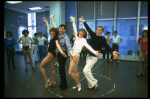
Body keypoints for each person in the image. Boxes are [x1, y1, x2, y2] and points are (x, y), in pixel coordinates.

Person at [79, 16, 118, 91]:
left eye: (100, 30)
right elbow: (88, 28)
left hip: (94, 57)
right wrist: (83, 21)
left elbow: (107, 46)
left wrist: (112, 51)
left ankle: (94, 82)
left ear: (102, 31)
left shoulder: (103, 39)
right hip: (88, 55)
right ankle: (90, 85)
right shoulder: (93, 35)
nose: (98, 31)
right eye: (97, 29)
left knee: (85, 70)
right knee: (88, 70)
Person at [69, 16, 99, 92]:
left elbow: (89, 47)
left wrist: (95, 52)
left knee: (70, 72)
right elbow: (74, 29)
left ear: (84, 34)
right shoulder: (76, 37)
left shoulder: (83, 40)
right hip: (71, 56)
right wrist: (73, 21)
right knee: (75, 72)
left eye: (82, 33)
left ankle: (78, 84)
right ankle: (77, 84)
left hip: (76, 57)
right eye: (80, 32)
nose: (81, 33)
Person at [43, 15, 72, 90]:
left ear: (65, 30)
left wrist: (71, 55)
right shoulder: (57, 35)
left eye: (62, 29)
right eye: (60, 28)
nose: (61, 30)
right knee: (60, 69)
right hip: (58, 54)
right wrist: (51, 19)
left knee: (61, 68)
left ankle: (64, 85)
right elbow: (52, 28)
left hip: (64, 54)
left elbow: (69, 47)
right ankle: (62, 84)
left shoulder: (66, 37)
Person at [39, 22, 67, 88]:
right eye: (51, 32)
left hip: (50, 54)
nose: (51, 32)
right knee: (52, 69)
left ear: (55, 32)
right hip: (52, 54)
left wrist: (61, 52)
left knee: (41, 66)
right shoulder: (52, 37)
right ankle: (53, 81)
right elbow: (49, 29)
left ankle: (47, 80)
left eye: (53, 32)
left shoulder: (55, 38)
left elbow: (57, 45)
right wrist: (46, 22)